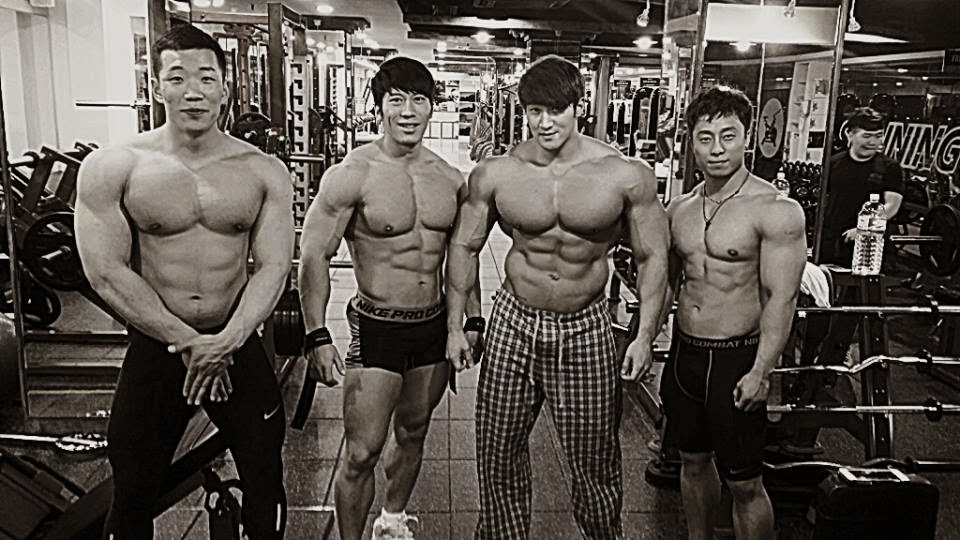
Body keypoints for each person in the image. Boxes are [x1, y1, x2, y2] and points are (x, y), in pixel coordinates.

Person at [74, 24, 293, 539]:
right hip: (159, 349)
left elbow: (275, 266)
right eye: (177, 78)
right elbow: (105, 272)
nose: (193, 92)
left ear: (225, 88)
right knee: (133, 490)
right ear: (157, 87)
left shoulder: (263, 171)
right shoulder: (113, 167)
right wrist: (191, 343)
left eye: (206, 78)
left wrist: (227, 341)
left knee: (265, 477)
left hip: (236, 342)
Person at [446, 54, 669, 540]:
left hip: (585, 326)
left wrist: (644, 336)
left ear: (578, 107)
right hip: (514, 320)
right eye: (534, 111)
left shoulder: (624, 174)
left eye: (556, 110)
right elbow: (464, 246)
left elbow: (654, 256)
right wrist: (456, 326)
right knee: (497, 450)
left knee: (595, 457)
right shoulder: (497, 172)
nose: (544, 123)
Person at [298, 56, 478, 540]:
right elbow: (314, 254)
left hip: (432, 326)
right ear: (379, 106)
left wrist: (470, 321)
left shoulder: (450, 178)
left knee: (414, 431)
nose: (408, 111)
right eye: (396, 100)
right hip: (376, 326)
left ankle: (393, 520)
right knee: (361, 452)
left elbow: (462, 254)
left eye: (419, 99)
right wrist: (316, 335)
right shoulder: (352, 173)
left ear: (432, 106)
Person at [659, 86, 807, 540]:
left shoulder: (776, 210)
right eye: (705, 138)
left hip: (737, 358)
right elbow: (668, 285)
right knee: (691, 463)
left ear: (748, 137)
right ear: (691, 141)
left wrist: (762, 370)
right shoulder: (679, 208)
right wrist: (642, 340)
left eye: (728, 136)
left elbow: (781, 297)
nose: (717, 149)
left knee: (745, 483)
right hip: (685, 356)